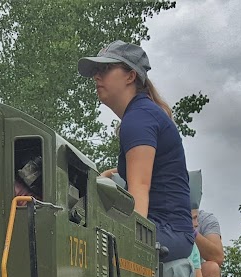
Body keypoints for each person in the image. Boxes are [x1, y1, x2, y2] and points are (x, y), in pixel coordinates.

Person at [78, 40, 194, 262]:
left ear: (130, 76)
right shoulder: (143, 113)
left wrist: (133, 243)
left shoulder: (139, 118)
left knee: (82, 239)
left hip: (166, 232)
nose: (96, 76)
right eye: (95, 71)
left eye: (105, 69)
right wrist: (109, 174)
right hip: (172, 230)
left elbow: (140, 186)